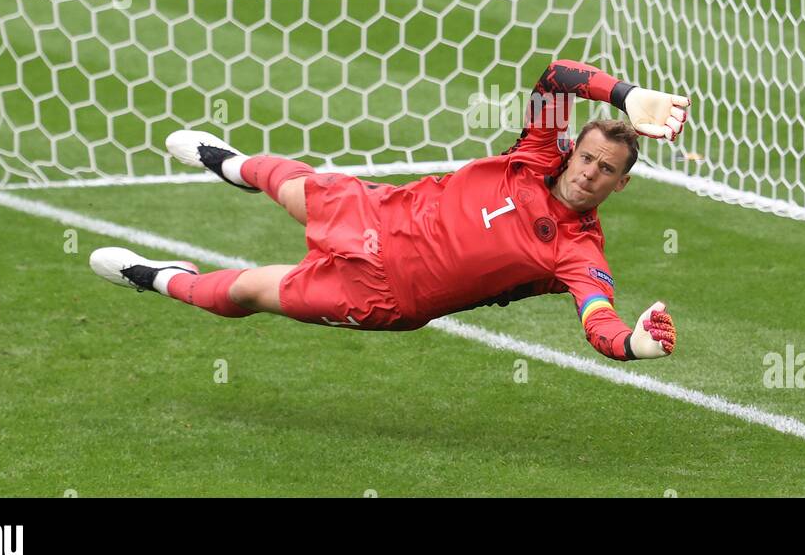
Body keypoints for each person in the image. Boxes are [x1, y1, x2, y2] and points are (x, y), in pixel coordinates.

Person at [90, 60, 687, 360]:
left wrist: (633, 344)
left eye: (606, 170)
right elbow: (556, 77)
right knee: (294, 186)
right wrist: (628, 96)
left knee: (249, 293)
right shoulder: (532, 157)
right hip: (380, 214)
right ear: (572, 150)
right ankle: (230, 163)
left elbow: (598, 318)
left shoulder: (579, 252)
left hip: (384, 292)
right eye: (586, 157)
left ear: (620, 185)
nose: (589, 173)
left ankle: (157, 277)